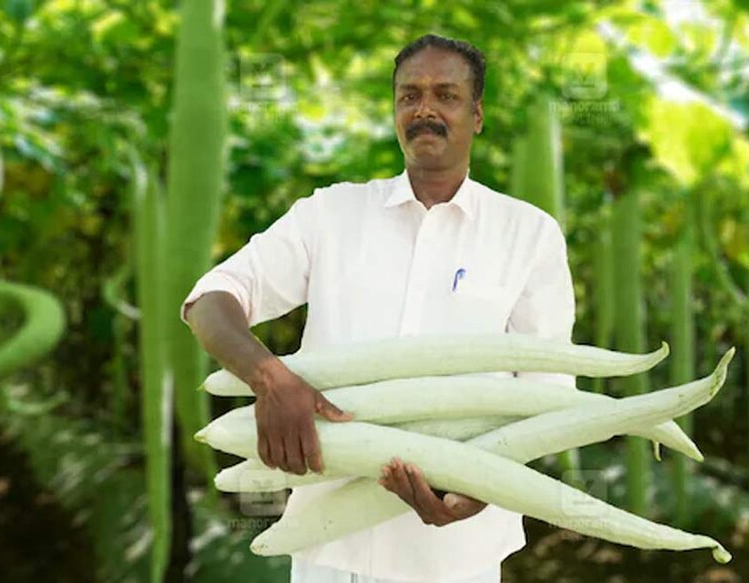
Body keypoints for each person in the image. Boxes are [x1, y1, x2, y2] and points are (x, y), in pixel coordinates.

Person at [181, 33, 576, 583]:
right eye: (408, 96)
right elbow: (211, 299)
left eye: (446, 95)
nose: (425, 110)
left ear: (478, 115)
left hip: (455, 559)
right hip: (327, 552)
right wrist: (269, 377)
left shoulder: (527, 234)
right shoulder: (331, 214)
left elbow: (547, 396)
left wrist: (480, 491)